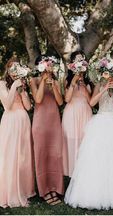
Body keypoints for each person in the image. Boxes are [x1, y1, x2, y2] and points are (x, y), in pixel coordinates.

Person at [65, 58, 113, 210]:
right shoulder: (99, 85)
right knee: (98, 157)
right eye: (108, 73)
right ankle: (96, 193)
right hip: (101, 122)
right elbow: (92, 103)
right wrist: (104, 88)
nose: (110, 75)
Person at [0, 57, 35, 208]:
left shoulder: (22, 84)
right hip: (10, 122)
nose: (14, 71)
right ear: (7, 70)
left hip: (23, 121)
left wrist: (23, 92)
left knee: (23, 156)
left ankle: (24, 189)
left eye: (17, 68)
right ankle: (10, 191)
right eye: (12, 68)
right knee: (10, 155)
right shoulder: (1, 84)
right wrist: (14, 85)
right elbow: (7, 105)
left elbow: (28, 107)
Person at [30, 55, 64, 205]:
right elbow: (38, 99)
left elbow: (60, 101)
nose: (48, 67)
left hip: (54, 123)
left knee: (55, 155)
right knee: (42, 156)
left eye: (49, 64)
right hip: (40, 124)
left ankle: (55, 188)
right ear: (40, 67)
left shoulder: (56, 81)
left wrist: (54, 86)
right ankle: (44, 191)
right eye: (45, 64)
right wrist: (43, 81)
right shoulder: (34, 80)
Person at [62, 51, 92, 177]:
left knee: (85, 142)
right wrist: (73, 83)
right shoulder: (67, 80)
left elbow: (90, 102)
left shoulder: (88, 81)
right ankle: (72, 173)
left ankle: (85, 173)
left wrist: (83, 85)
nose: (80, 62)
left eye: (82, 60)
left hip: (85, 112)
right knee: (72, 141)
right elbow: (67, 99)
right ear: (72, 64)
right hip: (72, 112)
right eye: (77, 60)